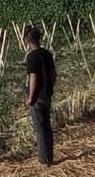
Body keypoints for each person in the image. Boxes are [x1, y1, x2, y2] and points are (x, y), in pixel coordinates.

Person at [24, 27, 57, 166]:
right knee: (47, 126)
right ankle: (49, 156)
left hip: (37, 97)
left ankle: (44, 160)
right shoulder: (47, 53)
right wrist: (50, 87)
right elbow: (54, 74)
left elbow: (33, 77)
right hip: (47, 94)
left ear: (27, 40)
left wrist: (31, 97)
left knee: (39, 127)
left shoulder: (32, 57)